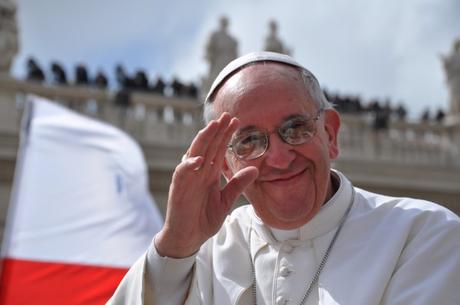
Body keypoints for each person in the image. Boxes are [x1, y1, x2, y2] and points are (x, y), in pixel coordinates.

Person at [107, 52, 460, 305]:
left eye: (295, 129)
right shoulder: (201, 254)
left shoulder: (422, 235)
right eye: (248, 141)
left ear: (331, 134)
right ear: (226, 166)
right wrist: (174, 246)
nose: (277, 157)